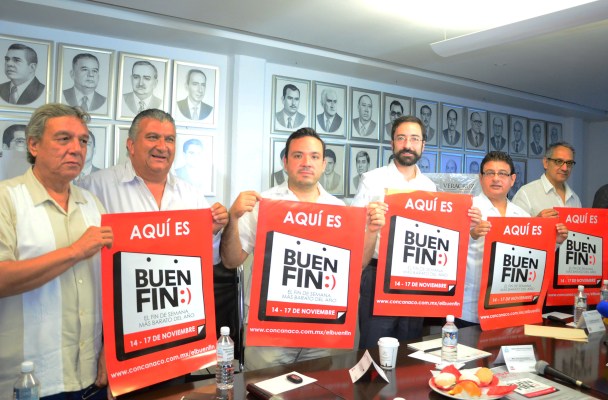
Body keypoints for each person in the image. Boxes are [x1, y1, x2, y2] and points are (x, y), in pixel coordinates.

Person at [219, 127, 384, 369]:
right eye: (298, 155)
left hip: (322, 329)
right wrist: (233, 218)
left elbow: (357, 263)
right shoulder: (263, 204)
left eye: (314, 156)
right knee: (263, 386)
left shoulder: (339, 209)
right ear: (285, 162)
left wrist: (371, 231)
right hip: (270, 330)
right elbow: (231, 260)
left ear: (324, 164)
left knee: (320, 387)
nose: (307, 162)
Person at [0, 103, 113, 398]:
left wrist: (110, 348)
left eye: (83, 141)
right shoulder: (6, 199)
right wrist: (74, 251)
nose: (76, 149)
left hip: (91, 375)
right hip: (30, 381)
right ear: (34, 145)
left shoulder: (92, 203)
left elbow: (109, 285)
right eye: (64, 139)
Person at [78, 109, 228, 265]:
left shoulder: (192, 196)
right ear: (131, 145)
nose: (162, 147)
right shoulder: (94, 187)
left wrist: (211, 231)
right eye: (152, 137)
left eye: (169, 139)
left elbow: (211, 260)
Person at [353, 115, 437, 349]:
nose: (407, 145)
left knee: (410, 348)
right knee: (374, 347)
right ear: (392, 143)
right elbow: (353, 229)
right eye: (401, 138)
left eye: (414, 139)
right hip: (378, 274)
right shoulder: (372, 180)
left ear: (423, 145)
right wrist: (369, 220)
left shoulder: (430, 187)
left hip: (415, 279)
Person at [460, 151, 567, 326]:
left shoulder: (522, 216)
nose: (496, 178)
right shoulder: (467, 209)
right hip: (470, 308)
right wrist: (472, 235)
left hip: (509, 306)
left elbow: (533, 257)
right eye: (490, 173)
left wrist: (555, 241)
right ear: (481, 177)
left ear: (512, 179)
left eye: (502, 173)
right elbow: (449, 249)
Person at [512, 142, 581, 217]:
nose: (565, 168)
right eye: (559, 161)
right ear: (546, 163)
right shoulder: (526, 193)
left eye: (569, 163)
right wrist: (537, 221)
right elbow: (512, 224)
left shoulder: (575, 199)